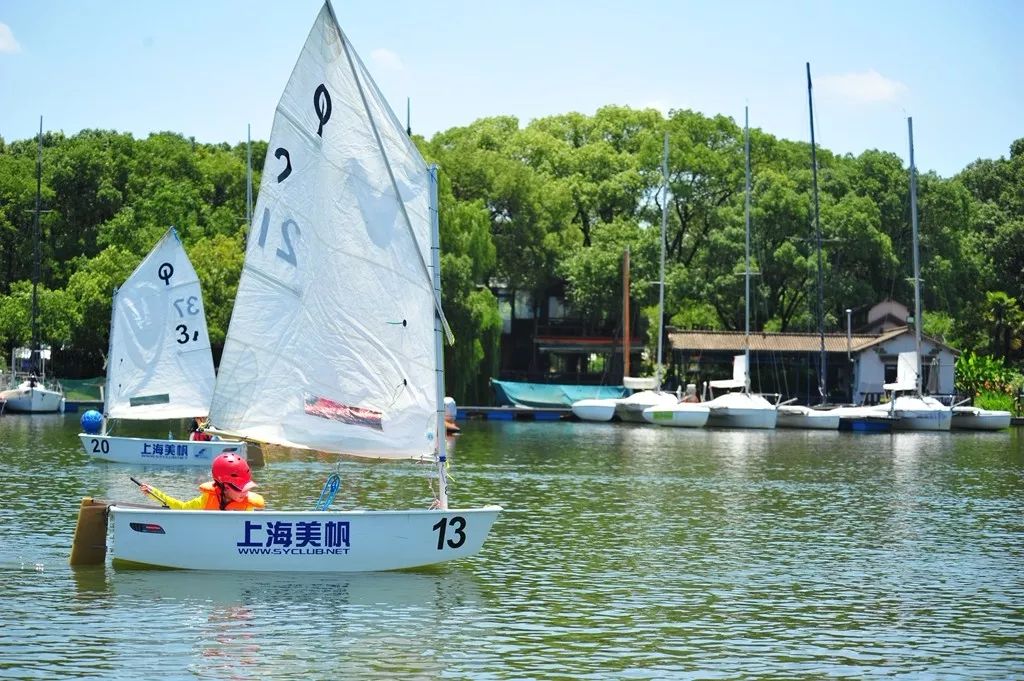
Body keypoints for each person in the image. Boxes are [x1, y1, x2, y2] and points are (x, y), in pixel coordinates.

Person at [137, 453, 265, 511]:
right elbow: (181, 508)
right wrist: (153, 492)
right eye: (240, 487)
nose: (245, 492)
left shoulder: (248, 506)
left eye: (247, 486)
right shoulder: (206, 500)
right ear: (223, 486)